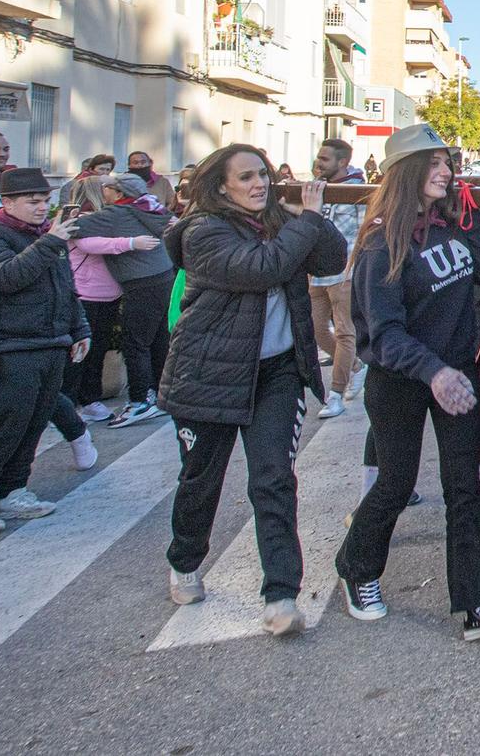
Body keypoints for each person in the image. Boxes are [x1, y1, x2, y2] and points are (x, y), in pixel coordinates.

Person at [335, 123, 480, 641]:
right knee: (396, 484)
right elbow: (384, 332)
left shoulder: (453, 226)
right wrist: (433, 372)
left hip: (457, 375)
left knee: (463, 488)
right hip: (402, 380)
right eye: (434, 164)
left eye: (447, 162)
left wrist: (476, 218)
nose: (446, 171)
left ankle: (477, 604)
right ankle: (357, 569)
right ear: (407, 174)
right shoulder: (380, 245)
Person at [159, 145, 347, 635]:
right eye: (246, 177)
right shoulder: (203, 233)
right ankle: (185, 559)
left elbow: (331, 257)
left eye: (263, 174)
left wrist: (309, 217)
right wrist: (305, 220)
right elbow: (261, 268)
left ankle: (281, 593)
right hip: (210, 375)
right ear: (221, 187)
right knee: (202, 479)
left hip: (277, 373)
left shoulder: (283, 221)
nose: (259, 184)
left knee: (274, 479)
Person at [0, 168, 87, 535]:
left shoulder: (45, 237)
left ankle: (13, 490)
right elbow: (7, 277)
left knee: (33, 423)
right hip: (4, 347)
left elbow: (66, 286)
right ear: (8, 202)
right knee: (5, 426)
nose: (42, 208)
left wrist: (78, 328)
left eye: (45, 201)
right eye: (33, 202)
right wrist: (51, 242)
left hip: (48, 342)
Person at [88, 174, 175, 428]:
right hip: (162, 276)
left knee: (135, 342)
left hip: (142, 283)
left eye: (107, 187)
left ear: (118, 192)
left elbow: (76, 230)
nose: (103, 191)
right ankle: (161, 394)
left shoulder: (118, 212)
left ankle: (139, 402)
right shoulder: (149, 206)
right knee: (158, 339)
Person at [308, 139, 367, 419]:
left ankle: (336, 394)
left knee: (345, 331)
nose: (319, 162)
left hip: (345, 271)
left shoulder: (357, 190)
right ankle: (356, 365)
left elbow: (366, 230)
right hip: (317, 273)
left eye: (325, 158)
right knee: (316, 328)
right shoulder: (316, 188)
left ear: (342, 162)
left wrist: (357, 266)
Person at [59, 175, 125, 422]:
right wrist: (130, 242)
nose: (117, 191)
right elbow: (89, 244)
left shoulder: (110, 216)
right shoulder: (79, 219)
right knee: (79, 353)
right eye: (111, 187)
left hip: (108, 293)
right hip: (85, 294)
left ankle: (90, 399)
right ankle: (68, 404)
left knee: (97, 351)